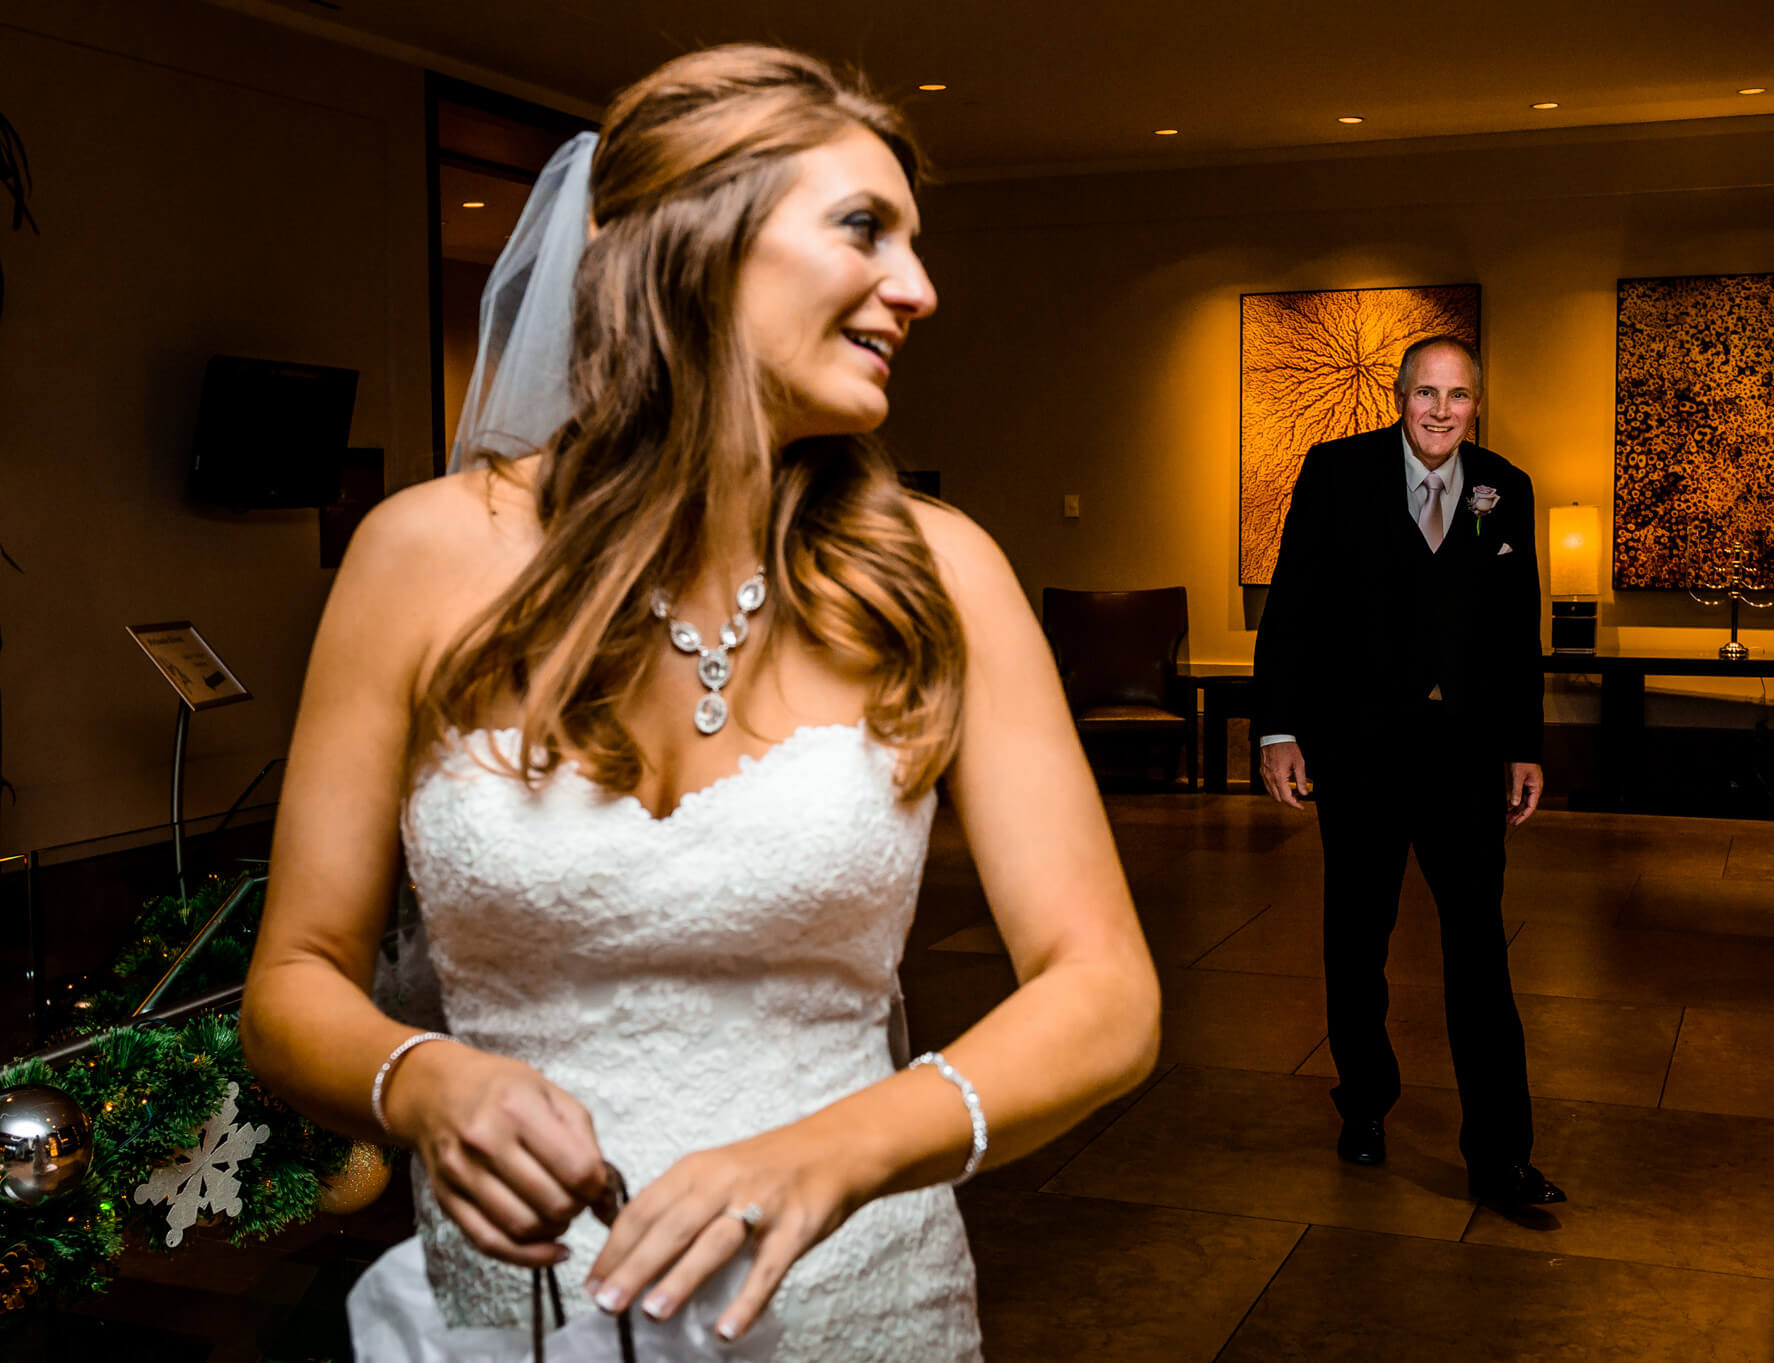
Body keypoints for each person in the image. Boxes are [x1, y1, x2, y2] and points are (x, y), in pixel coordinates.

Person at [240, 45, 1160, 1361]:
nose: (920, 287)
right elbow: (291, 982)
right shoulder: (416, 557)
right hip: (522, 1311)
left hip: (855, 1304)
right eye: (865, 229)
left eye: (915, 239)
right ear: (695, 244)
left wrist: (837, 1148)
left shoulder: (942, 570)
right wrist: (423, 1077)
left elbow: (1107, 989)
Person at [1252, 335, 1564, 1212]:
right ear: (1399, 397)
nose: (1440, 411)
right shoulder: (1336, 472)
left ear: (1475, 405)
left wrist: (1525, 744)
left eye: (1458, 395)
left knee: (1479, 956)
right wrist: (1279, 728)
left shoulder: (1506, 490)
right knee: (1358, 941)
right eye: (1426, 393)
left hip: (1464, 758)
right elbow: (1293, 608)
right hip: (1358, 753)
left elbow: (1514, 633)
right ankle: (1365, 1102)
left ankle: (1500, 1154)